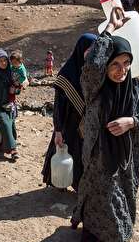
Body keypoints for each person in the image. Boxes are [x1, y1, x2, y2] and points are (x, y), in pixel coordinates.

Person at [70, 7, 139, 242]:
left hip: (128, 160)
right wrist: (109, 29)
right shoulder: (95, 89)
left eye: (126, 64)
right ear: (107, 65)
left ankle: (110, 238)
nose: (121, 70)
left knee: (125, 200)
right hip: (98, 160)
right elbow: (92, 65)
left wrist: (132, 122)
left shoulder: (137, 89)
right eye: (115, 64)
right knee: (104, 201)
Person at [41, 33, 97, 192]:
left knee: (82, 156)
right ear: (81, 50)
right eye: (89, 50)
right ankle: (60, 181)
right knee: (64, 151)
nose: (92, 54)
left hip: (86, 124)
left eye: (95, 50)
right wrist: (58, 130)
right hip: (68, 124)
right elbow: (58, 106)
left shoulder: (93, 72)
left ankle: (79, 184)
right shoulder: (67, 74)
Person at [6, 49, 29, 118]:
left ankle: (13, 110)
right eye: (12, 63)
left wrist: (18, 82)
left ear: (20, 61)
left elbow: (24, 77)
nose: (13, 64)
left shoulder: (21, 69)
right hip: (13, 82)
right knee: (10, 95)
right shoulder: (12, 67)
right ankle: (13, 108)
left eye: (15, 63)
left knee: (12, 93)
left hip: (18, 84)